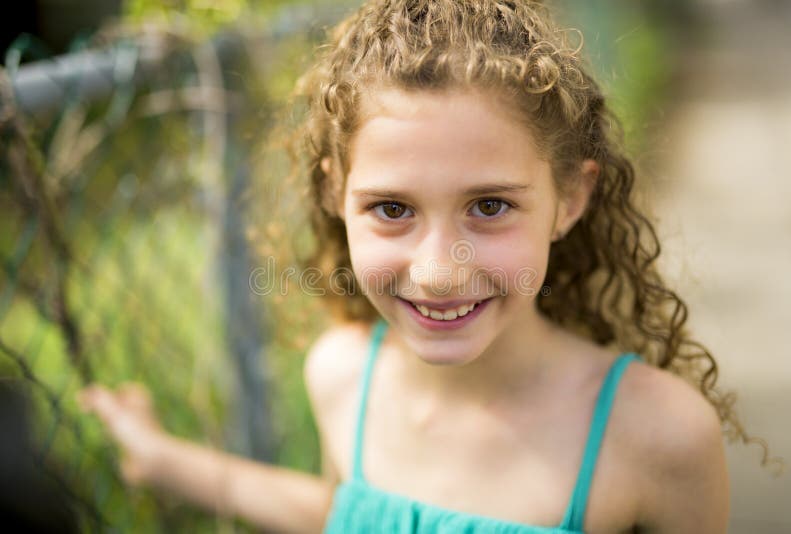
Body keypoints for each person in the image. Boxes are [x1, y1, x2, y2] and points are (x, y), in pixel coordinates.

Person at [79, 1, 741, 532]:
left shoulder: (658, 437)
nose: (437, 273)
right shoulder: (342, 376)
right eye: (392, 208)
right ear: (336, 192)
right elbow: (346, 516)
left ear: (570, 199)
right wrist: (166, 460)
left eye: (489, 205)